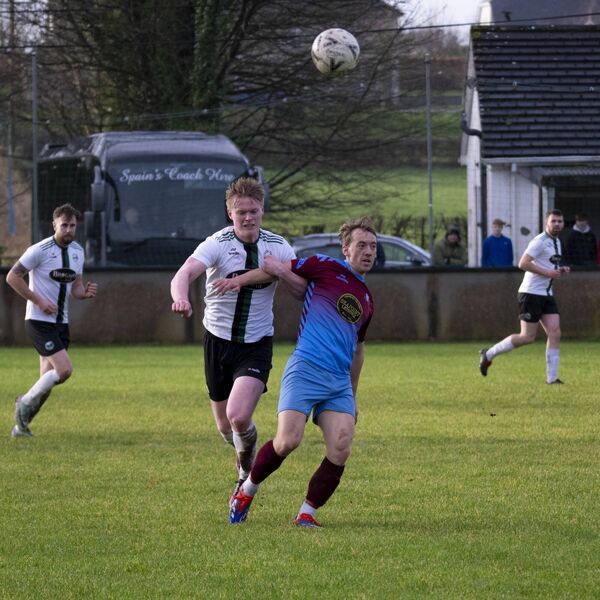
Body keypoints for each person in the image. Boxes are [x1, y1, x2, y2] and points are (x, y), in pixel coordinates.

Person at [221, 217, 377, 528]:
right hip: (305, 368)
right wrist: (242, 279)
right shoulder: (324, 265)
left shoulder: (368, 300)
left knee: (342, 444)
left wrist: (353, 394)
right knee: (288, 440)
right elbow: (274, 265)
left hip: (337, 382)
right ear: (346, 249)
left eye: (373, 247)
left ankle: (307, 513)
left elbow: (358, 350)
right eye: (361, 245)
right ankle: (246, 491)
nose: (369, 252)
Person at [170, 177, 296, 501]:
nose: (248, 218)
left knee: (238, 416)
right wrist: (181, 298)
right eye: (241, 212)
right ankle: (246, 454)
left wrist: (278, 272)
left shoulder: (278, 246)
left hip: (256, 344)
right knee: (226, 429)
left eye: (254, 211)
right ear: (230, 212)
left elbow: (298, 284)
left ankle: (245, 472)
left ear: (263, 210)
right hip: (217, 341)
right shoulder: (216, 243)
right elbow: (183, 272)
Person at [6, 203, 98, 437]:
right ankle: (23, 402)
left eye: (72, 226)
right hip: (38, 321)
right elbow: (12, 277)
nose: (68, 229)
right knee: (64, 370)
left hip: (61, 323)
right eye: (64, 225)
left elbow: (75, 287)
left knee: (45, 385)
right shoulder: (39, 249)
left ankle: (20, 428)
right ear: (54, 225)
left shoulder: (78, 251)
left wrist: (83, 293)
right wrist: (38, 301)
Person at [479, 209, 570, 384]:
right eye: (554, 221)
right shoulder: (539, 241)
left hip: (546, 293)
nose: (557, 224)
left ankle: (552, 379)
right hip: (531, 293)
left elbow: (548, 265)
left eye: (560, 221)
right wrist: (548, 272)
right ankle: (489, 353)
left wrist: (560, 270)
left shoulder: (556, 241)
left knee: (555, 333)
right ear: (547, 223)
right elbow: (523, 263)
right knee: (527, 337)